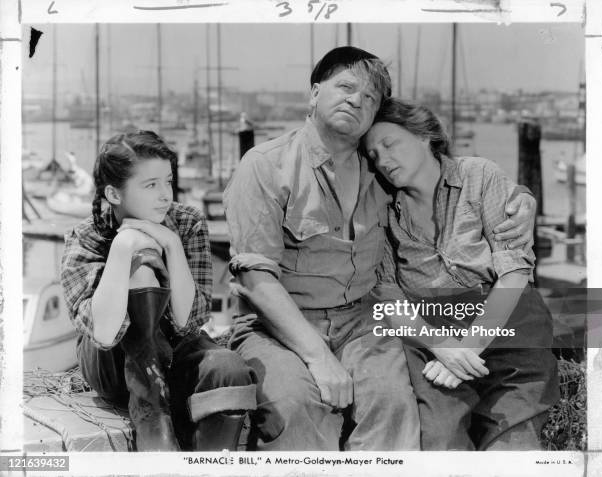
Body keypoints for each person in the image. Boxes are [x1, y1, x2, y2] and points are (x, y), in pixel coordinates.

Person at [223, 46, 537, 451]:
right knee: (296, 407)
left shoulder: (380, 169)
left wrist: (523, 199)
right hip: (278, 326)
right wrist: (319, 357)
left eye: (370, 98)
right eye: (346, 86)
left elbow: (446, 177)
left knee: (393, 405)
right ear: (315, 92)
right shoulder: (265, 166)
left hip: (362, 321)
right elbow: (255, 278)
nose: (357, 99)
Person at [364, 99, 559, 450]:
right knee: (440, 438)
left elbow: (514, 273)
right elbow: (390, 298)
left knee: (513, 446)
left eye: (389, 144)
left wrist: (467, 348)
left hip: (508, 322)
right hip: (434, 334)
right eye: (374, 154)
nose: (383, 160)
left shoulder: (479, 175)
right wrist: (444, 349)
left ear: (425, 135)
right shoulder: (380, 209)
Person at [61, 130, 257, 452]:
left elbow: (187, 322)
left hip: (176, 349)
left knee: (229, 369)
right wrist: (123, 249)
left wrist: (172, 243)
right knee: (141, 266)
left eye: (168, 181)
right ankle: (153, 416)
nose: (165, 194)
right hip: (111, 361)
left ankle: (209, 469)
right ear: (114, 193)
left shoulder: (187, 221)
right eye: (151, 185)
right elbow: (105, 334)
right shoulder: (85, 236)